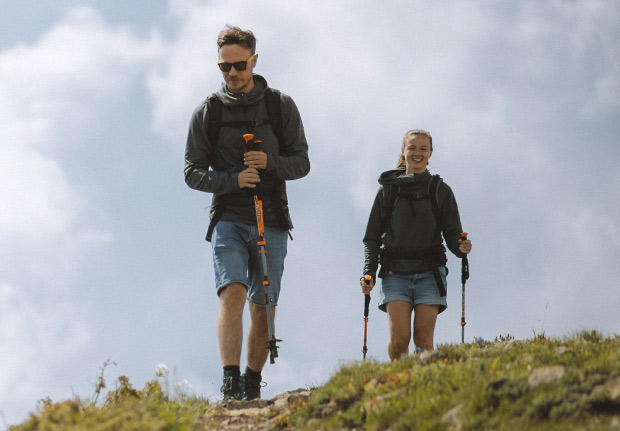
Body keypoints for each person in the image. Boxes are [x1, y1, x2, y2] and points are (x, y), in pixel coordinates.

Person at [184, 25, 310, 404]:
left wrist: (269, 163)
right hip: (228, 218)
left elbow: (302, 162)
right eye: (224, 67)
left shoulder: (280, 106)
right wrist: (232, 179)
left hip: (272, 218)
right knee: (232, 292)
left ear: (254, 60)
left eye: (239, 65)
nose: (232, 73)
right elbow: (192, 172)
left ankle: (252, 382)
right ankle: (229, 381)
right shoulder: (208, 112)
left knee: (263, 307)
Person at [360, 129, 471, 360]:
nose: (417, 153)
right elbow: (372, 237)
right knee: (400, 339)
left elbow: (452, 234)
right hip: (394, 273)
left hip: (430, 273)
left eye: (423, 148)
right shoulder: (388, 190)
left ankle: (422, 386)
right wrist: (368, 272)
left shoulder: (440, 190)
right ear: (403, 151)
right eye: (412, 147)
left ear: (430, 153)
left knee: (423, 338)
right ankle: (399, 381)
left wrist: (460, 246)